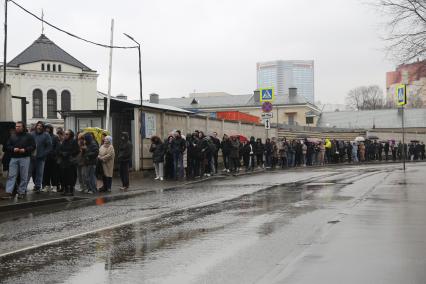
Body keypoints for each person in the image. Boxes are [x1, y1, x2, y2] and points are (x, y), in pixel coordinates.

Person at [2, 121, 36, 199]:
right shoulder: (12, 136)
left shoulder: (29, 136)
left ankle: (21, 192)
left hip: (25, 157)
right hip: (14, 158)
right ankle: (9, 192)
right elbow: (7, 146)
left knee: (24, 176)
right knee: (11, 176)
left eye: (19, 126)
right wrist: (13, 149)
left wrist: (25, 150)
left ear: (23, 127)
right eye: (16, 126)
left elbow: (33, 146)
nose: (17, 128)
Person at [30, 121, 52, 193]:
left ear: (43, 128)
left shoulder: (46, 135)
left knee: (39, 173)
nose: (39, 127)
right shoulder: (32, 134)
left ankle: (37, 187)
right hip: (32, 157)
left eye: (41, 126)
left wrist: (43, 154)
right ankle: (23, 188)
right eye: (38, 125)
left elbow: (49, 147)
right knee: (29, 173)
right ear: (36, 126)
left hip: (41, 158)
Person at [57, 130, 79, 196]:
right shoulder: (64, 142)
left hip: (70, 162)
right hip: (64, 162)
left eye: (67, 134)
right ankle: (65, 190)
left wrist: (68, 153)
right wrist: (62, 153)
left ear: (70, 135)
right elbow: (59, 150)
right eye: (65, 134)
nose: (65, 135)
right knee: (64, 176)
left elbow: (76, 151)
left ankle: (71, 191)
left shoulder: (74, 141)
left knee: (71, 177)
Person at [43, 124, 60, 192]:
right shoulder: (44, 136)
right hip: (45, 158)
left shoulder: (55, 137)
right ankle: (47, 186)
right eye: (46, 128)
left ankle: (55, 186)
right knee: (46, 173)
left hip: (53, 158)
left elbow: (57, 147)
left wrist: (53, 154)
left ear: (51, 129)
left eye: (48, 128)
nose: (47, 129)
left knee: (54, 173)